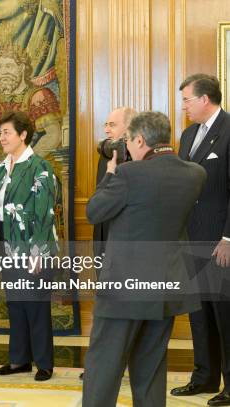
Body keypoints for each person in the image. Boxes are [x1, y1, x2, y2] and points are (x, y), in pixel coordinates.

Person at [83, 111, 206, 406]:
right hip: (165, 287)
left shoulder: (128, 174)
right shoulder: (195, 173)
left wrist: (111, 171)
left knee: (104, 367)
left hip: (124, 289)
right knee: (150, 369)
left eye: (128, 141)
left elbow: (94, 212)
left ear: (139, 140)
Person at [0, 111, 57, 381]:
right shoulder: (2, 167)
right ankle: (19, 361)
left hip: (33, 250)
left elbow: (45, 213)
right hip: (7, 247)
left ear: (23, 134)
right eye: (0, 132)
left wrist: (39, 252)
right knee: (16, 305)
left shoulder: (40, 167)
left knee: (35, 306)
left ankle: (44, 363)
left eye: (6, 132)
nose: (1, 137)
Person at [171, 73, 230, 406]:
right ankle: (204, 377)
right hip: (191, 239)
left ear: (205, 99)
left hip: (221, 241)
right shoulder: (188, 134)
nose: (184, 107)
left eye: (186, 100)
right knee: (199, 312)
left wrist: (229, 238)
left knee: (224, 314)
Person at [93, 107, 137, 258]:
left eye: (112, 125)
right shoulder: (107, 153)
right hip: (103, 231)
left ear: (129, 128)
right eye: (105, 125)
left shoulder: (141, 156)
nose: (106, 130)